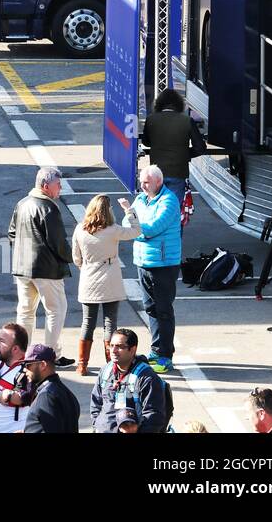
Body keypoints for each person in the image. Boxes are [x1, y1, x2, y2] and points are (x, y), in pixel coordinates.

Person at [9, 166, 74, 365]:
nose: (60, 188)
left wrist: (22, 253)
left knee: (26, 311)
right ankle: (51, 353)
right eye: (57, 185)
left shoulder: (22, 203)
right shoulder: (48, 208)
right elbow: (58, 242)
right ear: (46, 186)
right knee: (56, 309)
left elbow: (12, 233)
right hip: (46, 269)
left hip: (22, 268)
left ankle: (21, 353)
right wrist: (71, 258)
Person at [72, 194, 142, 376]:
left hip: (88, 278)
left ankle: (82, 364)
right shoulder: (113, 230)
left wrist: (86, 268)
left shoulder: (80, 229)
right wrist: (129, 210)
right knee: (110, 323)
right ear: (108, 211)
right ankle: (111, 365)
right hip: (110, 279)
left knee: (87, 323)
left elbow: (76, 257)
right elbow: (136, 231)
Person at [126, 164, 182, 374]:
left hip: (164, 264)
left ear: (158, 181)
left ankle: (165, 355)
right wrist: (136, 226)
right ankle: (156, 349)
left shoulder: (169, 201)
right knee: (150, 308)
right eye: (141, 181)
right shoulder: (141, 199)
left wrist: (137, 228)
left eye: (146, 182)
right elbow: (128, 223)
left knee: (164, 310)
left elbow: (150, 229)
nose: (142, 185)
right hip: (144, 261)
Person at [91, 328, 169, 433]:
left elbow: (154, 417)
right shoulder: (105, 371)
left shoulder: (147, 378)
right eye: (111, 345)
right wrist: (97, 425)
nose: (113, 351)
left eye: (119, 347)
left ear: (132, 349)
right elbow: (95, 404)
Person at [142, 87, 207, 204]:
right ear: (179, 104)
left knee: (156, 208)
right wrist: (186, 154)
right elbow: (200, 148)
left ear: (159, 104)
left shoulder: (151, 119)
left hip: (156, 172)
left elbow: (146, 142)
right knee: (173, 209)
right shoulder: (187, 120)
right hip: (178, 171)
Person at [21, 344, 80, 433]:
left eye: (27, 365)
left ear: (43, 365)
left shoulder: (47, 396)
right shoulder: (64, 391)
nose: (24, 370)